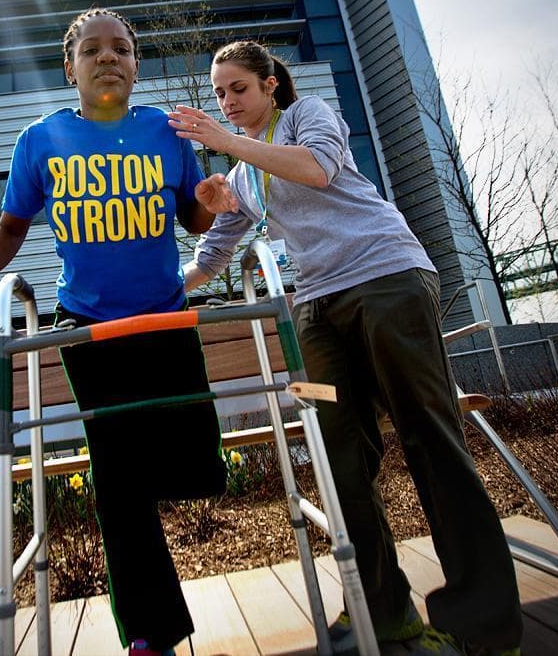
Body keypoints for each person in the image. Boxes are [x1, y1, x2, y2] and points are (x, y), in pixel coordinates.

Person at [171, 40, 522, 656]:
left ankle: (483, 626)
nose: (227, 102)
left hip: (386, 279)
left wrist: (227, 144)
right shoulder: (241, 177)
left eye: (239, 89)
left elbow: (316, 169)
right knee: (338, 457)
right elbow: (211, 256)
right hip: (317, 307)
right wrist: (147, 295)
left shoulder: (307, 117)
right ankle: (383, 610)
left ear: (270, 85)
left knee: (429, 437)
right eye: (220, 93)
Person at [0, 8, 229, 656]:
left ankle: (142, 498)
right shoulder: (42, 140)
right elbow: (10, 227)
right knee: (119, 483)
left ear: (136, 65)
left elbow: (193, 217)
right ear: (70, 67)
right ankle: (149, 634)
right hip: (90, 329)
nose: (108, 57)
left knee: (199, 470)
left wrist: (208, 201)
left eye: (121, 48)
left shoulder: (166, 130)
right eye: (92, 50)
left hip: (165, 319)